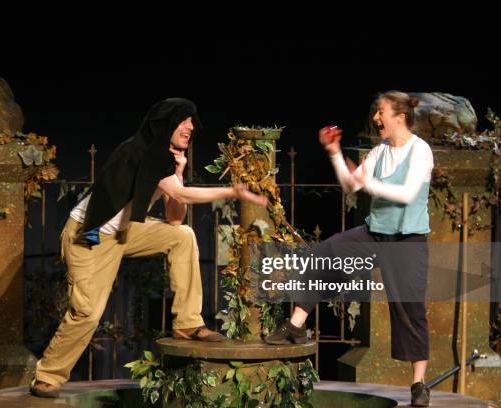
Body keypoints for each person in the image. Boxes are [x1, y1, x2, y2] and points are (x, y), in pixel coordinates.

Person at [31, 97, 268, 398]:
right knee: (88, 312)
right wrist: (233, 191)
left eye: (192, 122)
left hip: (123, 232)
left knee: (183, 235)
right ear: (164, 123)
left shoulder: (165, 161)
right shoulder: (139, 150)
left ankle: (187, 322)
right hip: (88, 235)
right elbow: (182, 195)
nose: (190, 127)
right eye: (184, 120)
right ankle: (48, 376)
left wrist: (180, 171)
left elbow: (173, 219)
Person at [264, 91, 434, 407]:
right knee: (323, 255)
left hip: (407, 240)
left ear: (399, 116)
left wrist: (366, 183)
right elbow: (351, 185)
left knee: (410, 308)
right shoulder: (379, 151)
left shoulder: (420, 151)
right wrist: (334, 152)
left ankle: (419, 384)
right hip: (375, 233)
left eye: (380, 111)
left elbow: (407, 193)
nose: (375, 117)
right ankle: (296, 326)